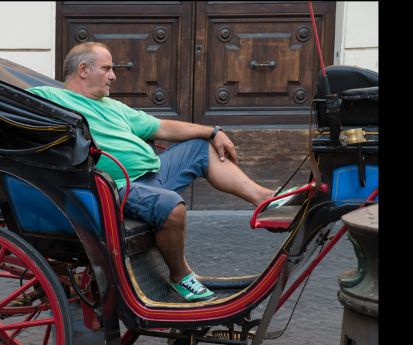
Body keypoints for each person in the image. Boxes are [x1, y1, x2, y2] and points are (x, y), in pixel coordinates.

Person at [29, 42, 278, 302]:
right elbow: (8, 104)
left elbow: (163, 128)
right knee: (172, 207)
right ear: (83, 70)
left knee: (202, 149)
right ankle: (180, 276)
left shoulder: (112, 106)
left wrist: (212, 132)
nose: (113, 75)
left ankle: (264, 199)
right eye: (107, 68)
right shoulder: (49, 98)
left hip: (154, 175)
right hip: (114, 188)